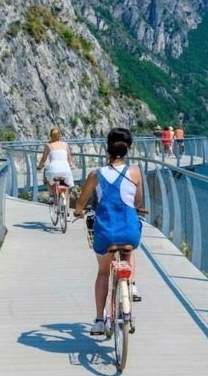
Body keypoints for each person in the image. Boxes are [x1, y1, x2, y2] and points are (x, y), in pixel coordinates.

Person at [74, 127, 145, 335]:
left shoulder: (96, 174)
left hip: (105, 233)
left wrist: (79, 210)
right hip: (129, 232)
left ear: (108, 149)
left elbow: (81, 202)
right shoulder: (135, 172)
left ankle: (98, 320)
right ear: (128, 149)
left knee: (104, 272)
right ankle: (130, 285)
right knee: (128, 250)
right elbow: (137, 201)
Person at [36, 128, 74, 195]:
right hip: (65, 170)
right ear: (59, 136)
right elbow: (69, 159)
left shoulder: (48, 145)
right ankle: (65, 198)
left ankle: (51, 194)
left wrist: (40, 166)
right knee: (66, 182)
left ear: (51, 136)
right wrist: (71, 165)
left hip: (53, 171)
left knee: (47, 177)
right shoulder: (65, 144)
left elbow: (43, 159)